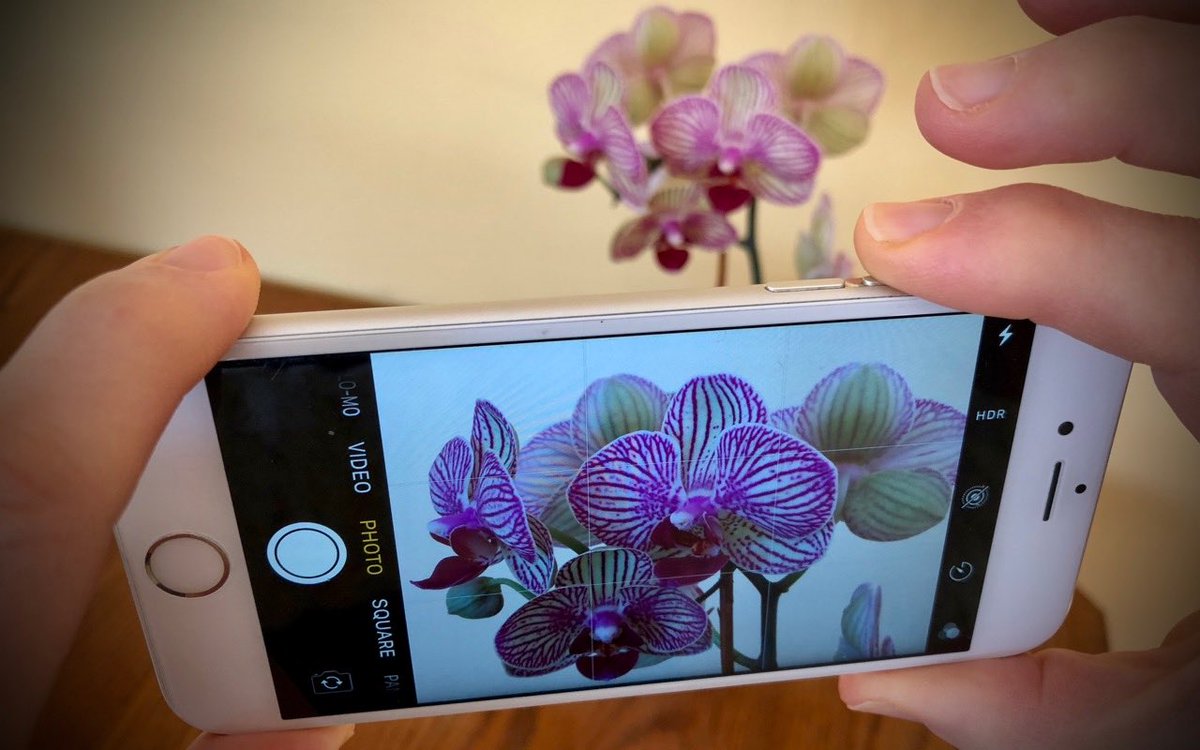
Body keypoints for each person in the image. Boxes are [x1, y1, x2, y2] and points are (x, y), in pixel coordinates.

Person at [0, 0, 1195, 747]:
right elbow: (572, 589)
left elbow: (744, 517)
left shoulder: (751, 505)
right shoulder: (607, 536)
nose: (682, 524)